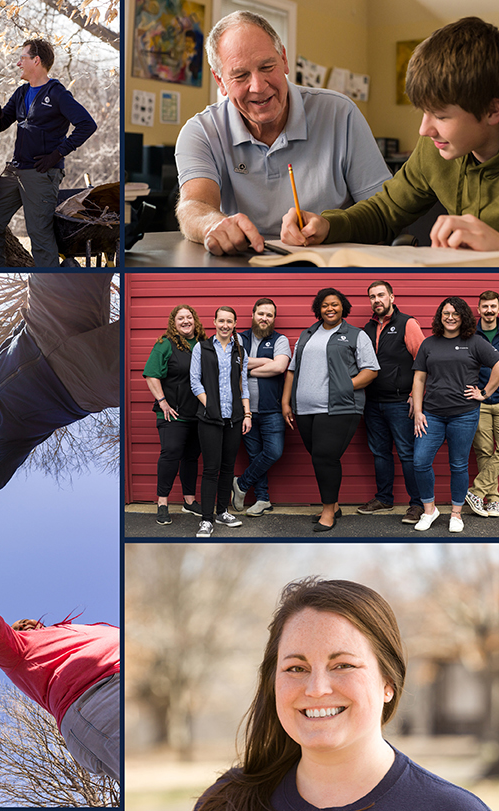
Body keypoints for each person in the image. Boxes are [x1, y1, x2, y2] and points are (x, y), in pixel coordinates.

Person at [195, 577, 488, 811]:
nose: (317, 688)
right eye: (296, 668)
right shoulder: (225, 802)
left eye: (343, 665)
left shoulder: (451, 808)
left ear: (388, 682)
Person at [175, 11, 389, 255]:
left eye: (267, 67)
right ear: (220, 81)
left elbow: (383, 212)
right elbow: (194, 205)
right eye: (240, 75)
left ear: (284, 60)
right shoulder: (200, 131)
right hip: (243, 265)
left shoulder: (341, 113)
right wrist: (211, 224)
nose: (258, 86)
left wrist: (331, 226)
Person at [282, 17, 499, 251]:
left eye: (441, 116)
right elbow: (385, 211)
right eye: (424, 112)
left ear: (492, 110)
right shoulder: (435, 148)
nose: (424, 130)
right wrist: (328, 225)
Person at [0, 273, 117, 539]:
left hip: (45, 328)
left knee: (45, 274)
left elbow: (13, 336)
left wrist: (31, 307)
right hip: (80, 382)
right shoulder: (11, 443)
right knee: (152, 359)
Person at [0, 559, 120, 782]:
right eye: (17, 627)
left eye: (27, 621)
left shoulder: (72, 631)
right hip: (99, 694)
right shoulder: (17, 650)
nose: (24, 625)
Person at [0, 39, 96, 267]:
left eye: (22, 58)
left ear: (36, 60)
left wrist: (58, 154)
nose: (18, 63)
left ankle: (52, 287)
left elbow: (87, 124)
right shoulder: (21, 92)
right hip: (14, 171)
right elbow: (3, 123)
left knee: (40, 236)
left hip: (41, 174)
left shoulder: (57, 94)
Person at [281, 289, 379, 532]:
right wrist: (286, 402)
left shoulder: (356, 335)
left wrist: (344, 387)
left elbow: (371, 370)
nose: (330, 309)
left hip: (339, 408)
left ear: (343, 307)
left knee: (325, 457)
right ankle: (333, 505)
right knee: (318, 457)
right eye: (325, 305)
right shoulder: (307, 334)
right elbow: (292, 370)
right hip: (304, 409)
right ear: (318, 309)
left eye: (335, 304)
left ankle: (328, 512)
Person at [410, 297, 499, 532]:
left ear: (463, 317)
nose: (450, 317)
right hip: (432, 415)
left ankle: (456, 514)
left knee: (458, 465)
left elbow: (497, 363)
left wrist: (485, 392)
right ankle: (429, 510)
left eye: (456, 313)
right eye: (446, 313)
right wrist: (418, 412)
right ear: (440, 316)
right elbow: (419, 378)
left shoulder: (475, 342)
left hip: (464, 414)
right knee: (419, 462)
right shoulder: (429, 344)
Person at [358, 281, 426, 525]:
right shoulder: (366, 328)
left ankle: (418, 504)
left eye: (381, 295)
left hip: (400, 402)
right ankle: (384, 498)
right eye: (372, 297)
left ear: (391, 297)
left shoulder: (407, 323)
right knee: (380, 453)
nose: (377, 300)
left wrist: (414, 397)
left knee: (408, 454)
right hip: (373, 403)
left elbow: (423, 361)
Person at [189, 306, 250, 538]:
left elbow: (243, 384)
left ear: (235, 324)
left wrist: (247, 414)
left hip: (234, 418)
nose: (225, 325)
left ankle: (222, 511)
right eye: (221, 321)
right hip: (209, 419)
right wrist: (211, 406)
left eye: (230, 321)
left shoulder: (240, 350)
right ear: (214, 322)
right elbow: (195, 382)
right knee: (211, 469)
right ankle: (206, 520)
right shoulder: (201, 348)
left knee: (228, 468)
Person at [143, 304, 206, 524]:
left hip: (197, 414)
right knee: (170, 454)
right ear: (174, 322)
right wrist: (162, 402)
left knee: (191, 457)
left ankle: (189, 501)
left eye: (189, 317)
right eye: (181, 318)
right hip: (172, 414)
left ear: (195, 320)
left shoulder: (203, 344)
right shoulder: (165, 344)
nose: (186, 321)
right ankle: (162, 502)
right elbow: (151, 374)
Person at [232, 298, 290, 517]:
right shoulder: (238, 337)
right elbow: (232, 364)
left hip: (271, 409)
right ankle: (263, 499)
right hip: (244, 410)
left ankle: (241, 484)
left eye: (269, 315)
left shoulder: (280, 339)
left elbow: (280, 366)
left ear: (273, 318)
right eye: (261, 313)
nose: (265, 318)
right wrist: (266, 361)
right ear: (253, 314)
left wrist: (246, 369)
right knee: (255, 454)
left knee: (273, 452)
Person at [467, 291, 499, 517]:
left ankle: (477, 491)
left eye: (493, 307)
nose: (489, 311)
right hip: (480, 402)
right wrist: (481, 393)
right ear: (479, 310)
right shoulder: (470, 335)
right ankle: (494, 500)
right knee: (485, 452)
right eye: (485, 307)